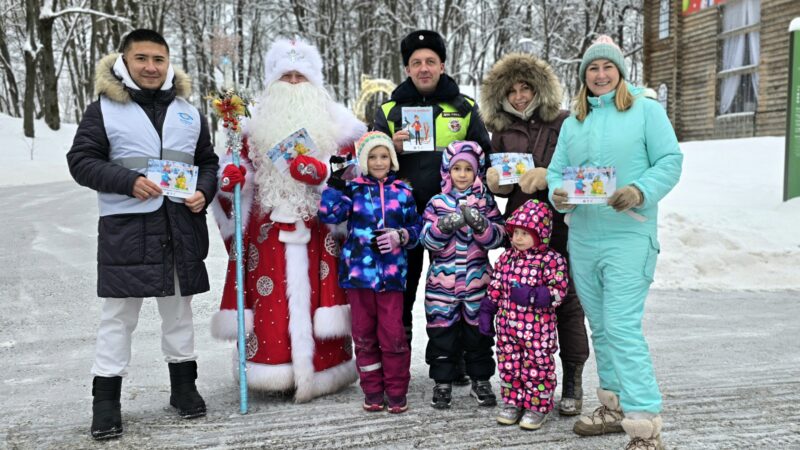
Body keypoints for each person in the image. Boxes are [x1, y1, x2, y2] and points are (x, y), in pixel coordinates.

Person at [66, 29, 218, 440]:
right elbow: (80, 160)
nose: (151, 67)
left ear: (169, 64)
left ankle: (184, 388)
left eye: (159, 59)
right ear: (124, 61)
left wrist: (205, 191)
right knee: (118, 318)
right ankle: (106, 402)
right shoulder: (104, 109)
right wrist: (127, 181)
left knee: (179, 312)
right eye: (142, 59)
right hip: (128, 232)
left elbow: (207, 161)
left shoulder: (188, 111)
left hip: (179, 228)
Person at [546, 35, 683, 450]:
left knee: (622, 327)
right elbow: (557, 172)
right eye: (592, 69)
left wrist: (640, 191)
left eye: (607, 67)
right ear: (584, 76)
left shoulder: (645, 111)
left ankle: (645, 425)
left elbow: (670, 160)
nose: (600, 75)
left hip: (629, 235)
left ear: (620, 72)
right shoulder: (575, 122)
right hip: (585, 238)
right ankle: (613, 405)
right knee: (602, 328)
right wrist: (558, 193)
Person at [209, 38, 365, 402]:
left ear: (315, 82)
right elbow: (236, 187)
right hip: (267, 236)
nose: (293, 83)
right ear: (271, 81)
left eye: (300, 76)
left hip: (319, 236)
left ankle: (326, 371)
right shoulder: (248, 128)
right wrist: (233, 179)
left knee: (319, 297)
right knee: (270, 302)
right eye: (286, 76)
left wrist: (324, 176)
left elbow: (356, 180)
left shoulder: (341, 128)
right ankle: (272, 371)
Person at [374, 29, 491, 385]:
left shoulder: (464, 107)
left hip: (452, 220)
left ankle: (452, 363)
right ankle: (397, 368)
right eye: (416, 63)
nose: (424, 68)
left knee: (454, 289)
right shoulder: (390, 110)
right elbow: (370, 162)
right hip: (404, 217)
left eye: (430, 61)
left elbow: (483, 161)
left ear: (442, 65)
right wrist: (387, 144)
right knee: (402, 292)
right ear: (407, 69)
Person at [479, 52, 590, 416]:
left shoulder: (564, 122)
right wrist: (497, 183)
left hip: (561, 223)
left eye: (526, 87)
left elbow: (585, 173)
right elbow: (500, 181)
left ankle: (572, 379)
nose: (520, 96)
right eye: (512, 90)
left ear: (539, 88)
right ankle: (523, 385)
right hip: (522, 230)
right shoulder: (502, 131)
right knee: (521, 305)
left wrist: (549, 176)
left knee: (567, 302)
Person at [318, 131, 421, 413]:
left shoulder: (404, 192)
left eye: (384, 156)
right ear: (364, 161)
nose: (378, 162)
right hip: (358, 277)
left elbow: (417, 229)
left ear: (392, 159)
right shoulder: (353, 189)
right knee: (364, 335)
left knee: (393, 335)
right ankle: (373, 389)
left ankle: (397, 390)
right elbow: (329, 215)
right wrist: (334, 185)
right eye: (372, 156)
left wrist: (401, 236)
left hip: (392, 277)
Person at [420, 141, 505, 409]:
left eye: (468, 168)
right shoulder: (437, 203)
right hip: (441, 287)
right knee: (442, 337)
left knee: (478, 336)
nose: (462, 174)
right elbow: (426, 240)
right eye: (456, 168)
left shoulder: (485, 201)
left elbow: (499, 237)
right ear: (447, 171)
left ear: (477, 171)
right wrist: (445, 225)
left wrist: (481, 225)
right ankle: (442, 383)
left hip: (477, 284)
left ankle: (480, 380)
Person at [478, 199, 569, 430]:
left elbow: (559, 291)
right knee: (510, 365)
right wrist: (487, 310)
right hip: (508, 328)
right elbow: (496, 286)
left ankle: (537, 405)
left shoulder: (551, 260)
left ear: (540, 235)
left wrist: (532, 296)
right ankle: (513, 402)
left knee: (537, 368)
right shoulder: (506, 259)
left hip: (538, 332)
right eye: (515, 232)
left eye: (525, 233)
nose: (517, 238)